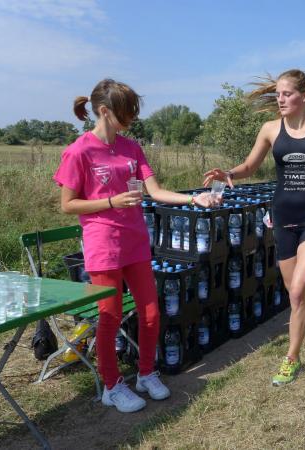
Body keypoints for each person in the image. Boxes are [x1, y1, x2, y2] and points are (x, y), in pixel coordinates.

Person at [54, 79, 217, 413]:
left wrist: (194, 199)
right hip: (103, 245)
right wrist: (111, 202)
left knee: (151, 312)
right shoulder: (79, 151)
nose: (132, 118)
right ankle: (112, 386)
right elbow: (67, 205)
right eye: (126, 112)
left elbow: (155, 191)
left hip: (136, 242)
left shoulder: (131, 147)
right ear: (104, 111)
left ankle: (145, 374)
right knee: (110, 316)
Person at [203, 69, 305, 386]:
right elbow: (249, 166)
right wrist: (229, 173)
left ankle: (291, 358)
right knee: (293, 294)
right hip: (283, 217)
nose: (280, 99)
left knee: (301, 290)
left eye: (287, 94)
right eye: (277, 94)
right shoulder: (270, 129)